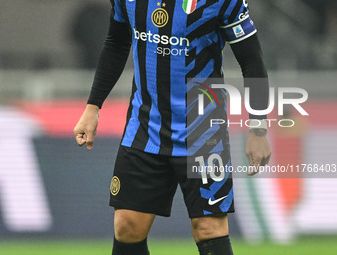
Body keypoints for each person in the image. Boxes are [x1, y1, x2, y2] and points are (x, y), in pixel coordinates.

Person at [73, 0, 271, 254]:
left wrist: (258, 128)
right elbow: (116, 42)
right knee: (127, 226)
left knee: (208, 228)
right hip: (145, 128)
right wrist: (93, 107)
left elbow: (252, 61)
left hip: (204, 131)